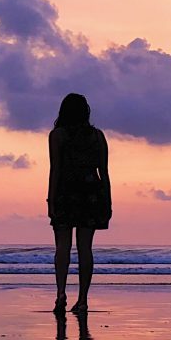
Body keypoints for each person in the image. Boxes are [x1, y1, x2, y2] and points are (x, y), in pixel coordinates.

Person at [47, 93, 111, 314]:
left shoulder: (58, 135)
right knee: (85, 248)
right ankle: (83, 299)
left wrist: (51, 200)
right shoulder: (97, 136)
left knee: (62, 246)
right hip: (91, 192)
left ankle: (60, 294)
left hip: (66, 191)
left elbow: (55, 169)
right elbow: (104, 172)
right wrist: (108, 200)